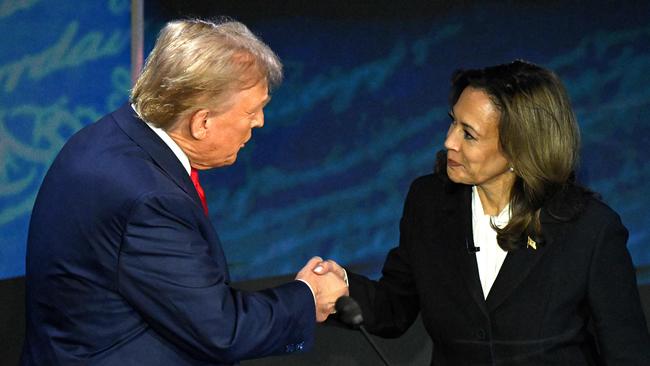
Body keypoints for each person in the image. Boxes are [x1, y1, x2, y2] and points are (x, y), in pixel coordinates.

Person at [21, 18, 348, 365]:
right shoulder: (150, 199)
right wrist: (309, 297)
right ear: (201, 121)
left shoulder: (110, 136)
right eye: (252, 110)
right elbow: (223, 331)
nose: (259, 122)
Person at [317, 60, 650, 365]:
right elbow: (395, 307)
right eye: (453, 124)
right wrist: (343, 288)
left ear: (520, 148)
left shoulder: (590, 229)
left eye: (469, 134)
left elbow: (626, 352)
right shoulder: (429, 202)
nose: (450, 142)